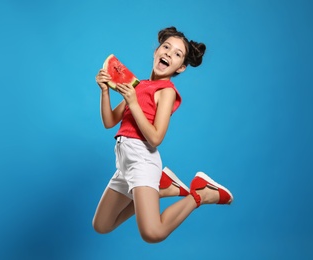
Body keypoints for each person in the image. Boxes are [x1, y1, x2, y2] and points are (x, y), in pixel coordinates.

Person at [92, 26, 233, 243]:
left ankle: (202, 193)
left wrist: (133, 103)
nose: (169, 53)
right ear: (156, 51)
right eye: (166, 47)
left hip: (142, 159)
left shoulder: (166, 92)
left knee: (153, 233)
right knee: (101, 225)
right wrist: (105, 91)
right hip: (124, 162)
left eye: (177, 54)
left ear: (182, 67)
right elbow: (110, 122)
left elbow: (156, 138)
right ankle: (162, 187)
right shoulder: (137, 86)